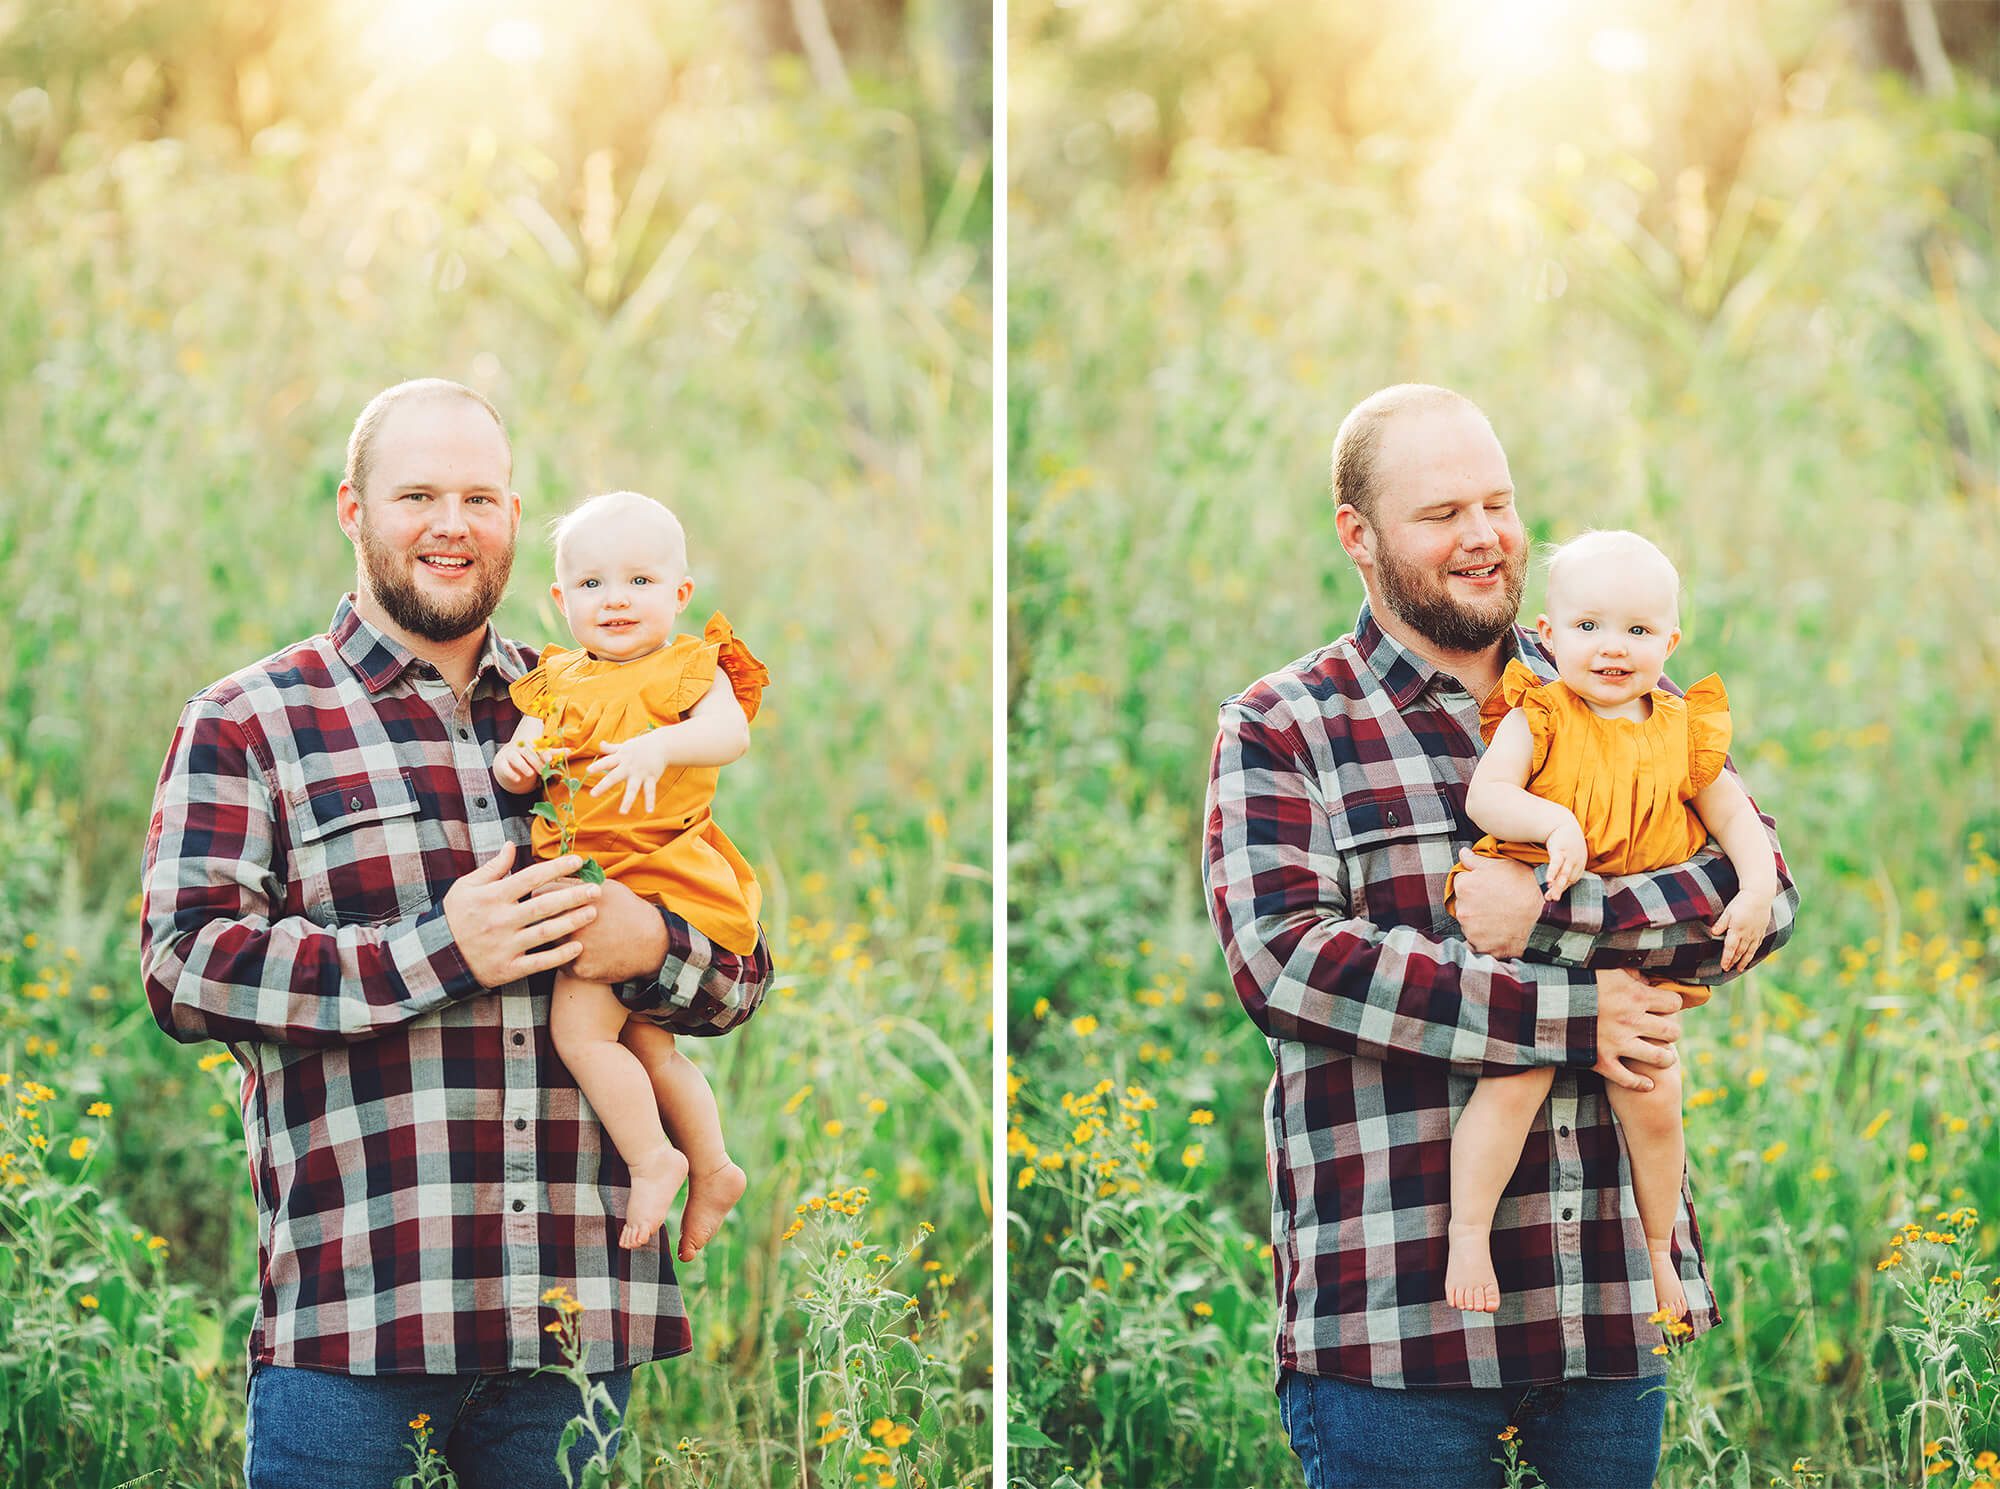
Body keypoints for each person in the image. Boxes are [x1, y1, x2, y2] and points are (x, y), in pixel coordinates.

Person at [140, 379, 772, 1488]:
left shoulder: (595, 697)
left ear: (514, 518)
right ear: (352, 509)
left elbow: (739, 976)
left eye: (479, 497)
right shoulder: (253, 720)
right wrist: (439, 949)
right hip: (360, 1314)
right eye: (416, 495)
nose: (450, 524)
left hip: (571, 1319)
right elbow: (185, 964)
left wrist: (645, 943)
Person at [1202, 384, 1798, 1489]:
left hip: (1606, 1303)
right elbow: (1286, 962)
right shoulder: (1285, 724)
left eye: (1497, 503)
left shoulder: (1615, 676)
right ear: (1358, 537)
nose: (1481, 536)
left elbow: (1761, 896)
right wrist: (1577, 1012)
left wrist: (1556, 913)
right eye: (1440, 514)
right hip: (1395, 1328)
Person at [1442, 529, 1780, 1325]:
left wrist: (1758, 885)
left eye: (1636, 630)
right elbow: (1487, 796)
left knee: (1656, 1096)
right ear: (1550, 634)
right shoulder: (1541, 710)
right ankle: (1467, 1231)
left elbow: (1734, 817)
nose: (1612, 648)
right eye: (1588, 627)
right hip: (1539, 933)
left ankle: (1659, 1249)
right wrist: (1553, 823)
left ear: (1670, 639)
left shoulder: (1680, 728)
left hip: (1635, 958)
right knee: (1515, 1077)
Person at [495, 490, 765, 1256]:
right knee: (649, 1049)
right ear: (560, 600)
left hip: (663, 878)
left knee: (578, 1031)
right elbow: (521, 761)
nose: (615, 600)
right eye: (592, 585)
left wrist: (661, 748)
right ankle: (714, 1166)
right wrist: (515, 762)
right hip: (597, 873)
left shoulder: (688, 666)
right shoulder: (556, 683)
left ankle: (656, 1159)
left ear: (680, 593)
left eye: (640, 582)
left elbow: (730, 733)